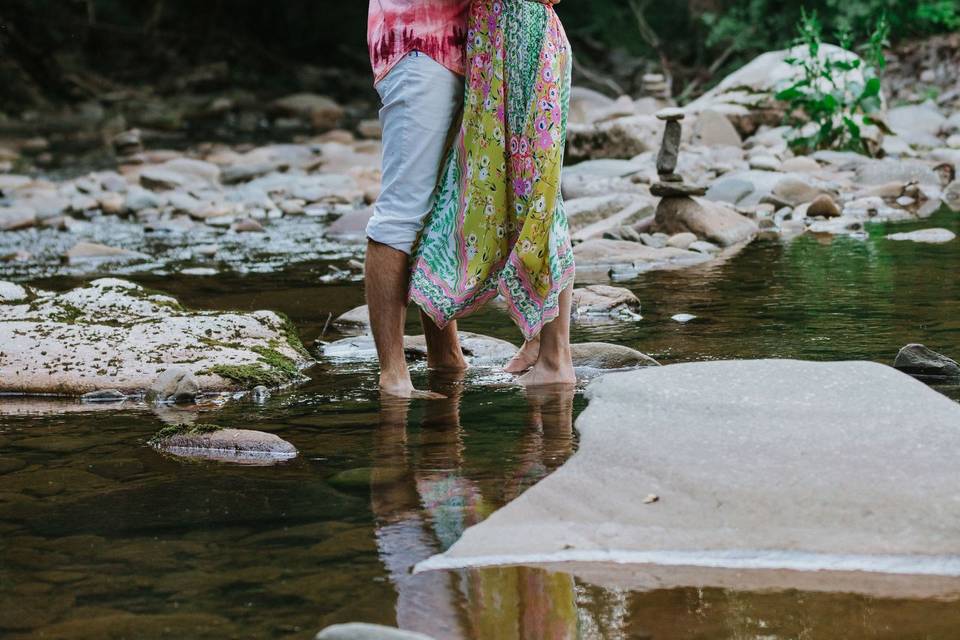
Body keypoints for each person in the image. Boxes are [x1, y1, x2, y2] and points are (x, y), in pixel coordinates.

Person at [365, 0, 568, 398]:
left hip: (485, 42)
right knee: (404, 209)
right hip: (420, 43)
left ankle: (446, 358)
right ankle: (393, 375)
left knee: (448, 206)